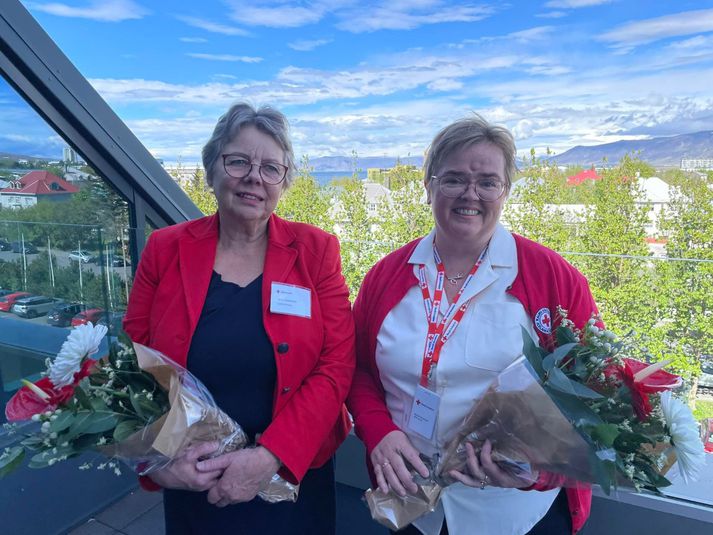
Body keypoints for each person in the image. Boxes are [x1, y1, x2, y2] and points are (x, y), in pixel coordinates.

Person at [346, 115, 597, 535]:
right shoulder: (386, 276)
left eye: (487, 181)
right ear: (428, 187)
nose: (470, 194)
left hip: (512, 512)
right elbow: (355, 369)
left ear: (506, 191)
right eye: (454, 179)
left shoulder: (552, 278)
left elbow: (593, 390)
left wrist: (534, 471)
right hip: (412, 503)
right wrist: (379, 432)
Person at [123, 103, 355, 534]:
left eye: (271, 168)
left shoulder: (316, 250)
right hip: (194, 475)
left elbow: (337, 363)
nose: (254, 177)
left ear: (284, 182)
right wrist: (159, 464)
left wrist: (272, 456)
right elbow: (134, 360)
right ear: (212, 169)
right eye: (238, 161)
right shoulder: (164, 249)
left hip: (291, 474)